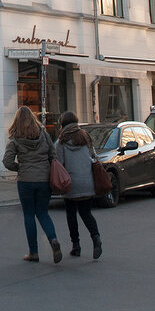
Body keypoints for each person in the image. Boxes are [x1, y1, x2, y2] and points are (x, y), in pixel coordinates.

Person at [3, 106, 62, 263]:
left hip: (26, 181)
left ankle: (33, 252)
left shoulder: (15, 138)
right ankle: (53, 240)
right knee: (43, 213)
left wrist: (20, 167)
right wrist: (47, 168)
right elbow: (53, 154)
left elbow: (7, 162)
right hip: (44, 180)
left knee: (29, 215)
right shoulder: (43, 134)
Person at [55, 111, 102, 260]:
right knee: (86, 213)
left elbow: (59, 164)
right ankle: (96, 238)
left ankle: (76, 246)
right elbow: (94, 157)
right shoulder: (86, 137)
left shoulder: (60, 142)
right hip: (87, 181)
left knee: (71, 215)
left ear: (62, 124)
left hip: (71, 183)